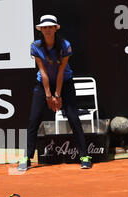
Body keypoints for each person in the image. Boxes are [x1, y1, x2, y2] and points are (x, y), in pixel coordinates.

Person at [18, 14, 92, 171]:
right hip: (42, 83)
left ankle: (84, 156)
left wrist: (57, 95)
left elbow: (61, 71)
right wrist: (48, 95)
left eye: (50, 27)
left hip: (64, 82)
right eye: (44, 27)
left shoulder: (65, 45)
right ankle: (27, 157)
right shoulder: (36, 46)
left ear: (55, 28)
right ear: (41, 30)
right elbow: (43, 72)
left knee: (73, 117)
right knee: (34, 119)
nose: (47, 30)